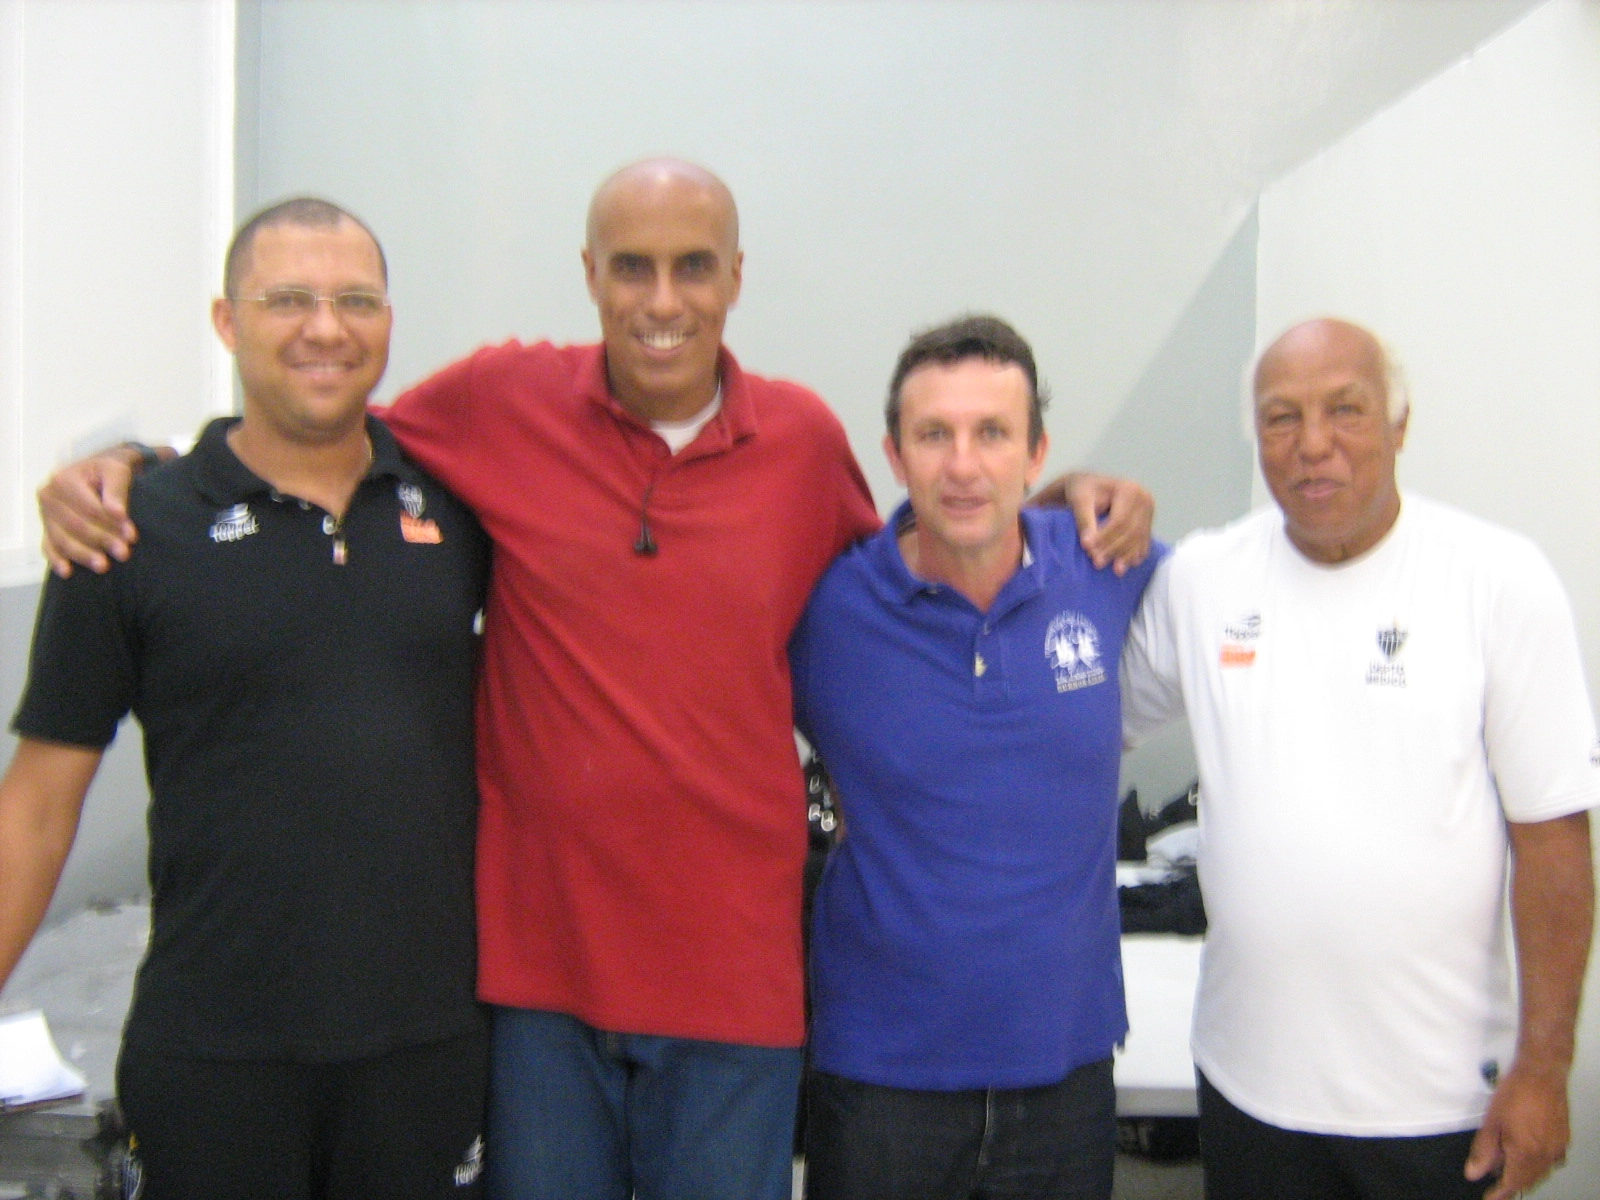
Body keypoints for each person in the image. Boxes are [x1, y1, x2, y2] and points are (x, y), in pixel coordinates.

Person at [36, 160, 1154, 1200]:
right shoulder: (494, 405)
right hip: (539, 987)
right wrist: (141, 472)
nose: (660, 298)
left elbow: (918, 569)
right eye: (631, 266)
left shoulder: (805, 447)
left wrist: (1066, 503)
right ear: (589, 275)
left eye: (691, 266)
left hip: (735, 987)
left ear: (733, 279)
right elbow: (315, 426)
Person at [0, 198, 490, 1198]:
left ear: (389, 322)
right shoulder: (128, 532)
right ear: (226, 322)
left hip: (425, 1052)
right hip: (214, 1054)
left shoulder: (460, 507)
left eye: (356, 300)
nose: (325, 327)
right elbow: (39, 808)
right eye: (287, 300)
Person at [1121, 317, 1597, 1200]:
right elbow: (1077, 722)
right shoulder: (1203, 579)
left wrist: (1543, 1071)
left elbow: (1557, 843)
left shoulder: (1497, 580)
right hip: (1247, 1088)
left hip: (1437, 1109)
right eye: (1280, 418)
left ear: (1399, 424)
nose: (1313, 447)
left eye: (1346, 411)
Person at [789, 316, 1162, 1200]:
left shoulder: (1110, 567)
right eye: (934, 435)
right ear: (893, 453)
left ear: (1037, 455)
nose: (963, 465)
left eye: (992, 433)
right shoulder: (825, 610)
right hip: (881, 1085)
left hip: (1065, 1074)